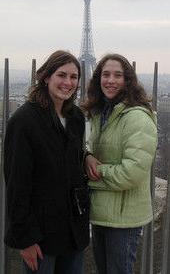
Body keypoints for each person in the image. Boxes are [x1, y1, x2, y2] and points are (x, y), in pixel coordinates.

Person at [4, 50, 89, 274]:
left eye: (74, 77)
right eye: (62, 75)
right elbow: (16, 184)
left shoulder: (76, 118)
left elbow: (74, 159)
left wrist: (87, 156)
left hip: (73, 230)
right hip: (40, 235)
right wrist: (25, 239)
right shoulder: (24, 121)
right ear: (46, 77)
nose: (68, 82)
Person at [83, 53, 157, 274]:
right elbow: (92, 151)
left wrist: (94, 173)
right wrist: (87, 157)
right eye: (105, 74)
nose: (110, 80)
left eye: (118, 75)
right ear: (98, 79)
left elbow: (132, 173)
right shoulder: (100, 113)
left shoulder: (137, 118)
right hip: (101, 213)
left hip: (124, 220)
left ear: (128, 81)